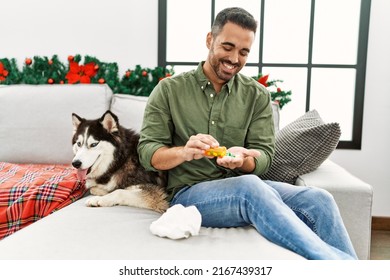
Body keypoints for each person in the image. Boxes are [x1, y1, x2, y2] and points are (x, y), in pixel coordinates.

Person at [138, 7, 357, 260]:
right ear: (210, 40)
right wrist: (185, 153)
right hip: (190, 194)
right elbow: (148, 153)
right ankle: (341, 266)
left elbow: (264, 157)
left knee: (319, 199)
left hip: (244, 186)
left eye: (243, 52)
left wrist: (244, 161)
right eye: (227, 47)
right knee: (249, 187)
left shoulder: (257, 95)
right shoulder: (169, 90)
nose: (234, 58)